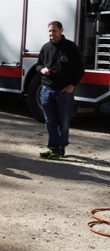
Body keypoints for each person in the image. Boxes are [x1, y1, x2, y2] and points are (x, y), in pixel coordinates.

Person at [37, 21, 84, 160]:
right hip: (47, 89)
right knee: (50, 121)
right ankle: (53, 149)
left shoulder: (70, 47)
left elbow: (80, 68)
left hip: (64, 91)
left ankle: (61, 146)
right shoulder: (46, 47)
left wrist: (72, 85)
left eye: (54, 31)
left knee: (63, 121)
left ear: (61, 30)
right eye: (50, 31)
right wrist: (42, 70)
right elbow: (39, 65)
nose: (52, 33)